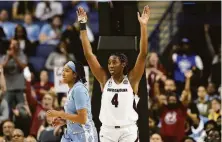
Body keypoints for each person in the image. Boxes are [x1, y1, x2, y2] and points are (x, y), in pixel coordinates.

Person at [77, 5, 149, 142]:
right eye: (109, 62)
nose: (110, 65)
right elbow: (88, 54)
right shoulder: (104, 79)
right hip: (107, 131)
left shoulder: (132, 80)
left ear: (123, 64)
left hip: (128, 130)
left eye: (114, 62)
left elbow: (143, 54)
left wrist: (143, 26)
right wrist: (82, 26)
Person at [46, 61, 98, 142]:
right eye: (63, 70)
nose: (63, 73)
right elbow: (75, 116)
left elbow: (83, 119)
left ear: (75, 74)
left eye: (67, 71)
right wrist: (64, 121)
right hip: (72, 134)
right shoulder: (72, 89)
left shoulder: (79, 89)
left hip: (84, 135)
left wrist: (59, 114)